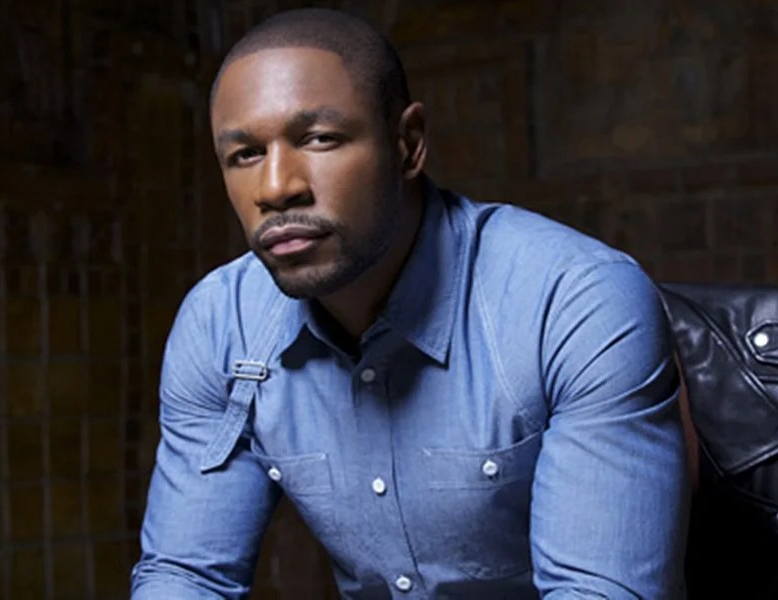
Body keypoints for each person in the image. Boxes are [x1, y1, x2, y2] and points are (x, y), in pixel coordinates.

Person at [131, 8, 689, 599]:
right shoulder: (221, 324)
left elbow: (600, 591)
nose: (276, 188)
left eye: (319, 139)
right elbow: (187, 574)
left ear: (409, 145)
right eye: (245, 154)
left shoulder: (573, 301)